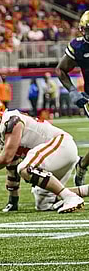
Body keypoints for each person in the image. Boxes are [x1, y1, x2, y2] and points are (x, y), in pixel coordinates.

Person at [0, 97, 85, 214]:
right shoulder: (0, 136)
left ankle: (71, 198)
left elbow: (6, 157)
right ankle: (83, 191)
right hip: (55, 154)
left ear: (0, 110)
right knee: (44, 202)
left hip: (62, 145)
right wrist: (13, 200)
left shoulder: (12, 120)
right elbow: (11, 165)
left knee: (25, 168)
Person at [56, 10, 89, 187]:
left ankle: (82, 164)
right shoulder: (78, 47)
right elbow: (60, 70)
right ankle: (82, 165)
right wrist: (73, 91)